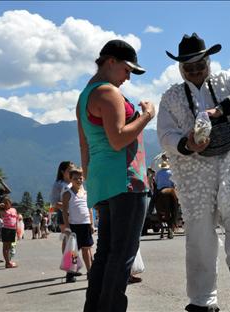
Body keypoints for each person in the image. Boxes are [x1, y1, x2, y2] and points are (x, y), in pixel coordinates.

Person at [157, 33, 230, 312]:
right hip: (194, 173)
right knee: (199, 238)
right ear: (180, 68)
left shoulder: (227, 81)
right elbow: (165, 134)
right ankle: (203, 302)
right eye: (188, 68)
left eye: (199, 66)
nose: (194, 72)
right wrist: (186, 144)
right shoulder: (171, 97)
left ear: (209, 62)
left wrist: (221, 109)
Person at [76, 39, 154, 312]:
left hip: (103, 181)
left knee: (106, 256)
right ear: (111, 61)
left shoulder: (86, 94)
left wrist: (90, 183)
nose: (128, 76)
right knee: (121, 257)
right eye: (127, 69)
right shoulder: (108, 92)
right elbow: (119, 139)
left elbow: (84, 145)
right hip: (126, 181)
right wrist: (146, 115)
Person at [61, 167, 94, 283]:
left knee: (87, 249)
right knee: (73, 251)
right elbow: (64, 211)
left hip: (85, 225)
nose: (78, 180)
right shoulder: (67, 194)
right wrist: (67, 226)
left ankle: (90, 272)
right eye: (75, 178)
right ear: (71, 179)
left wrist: (92, 224)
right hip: (74, 225)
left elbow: (89, 209)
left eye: (80, 178)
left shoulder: (85, 192)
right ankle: (70, 273)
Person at [50, 161, 74, 243]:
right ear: (63, 171)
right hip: (63, 214)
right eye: (69, 170)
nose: (72, 172)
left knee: (75, 239)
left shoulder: (75, 182)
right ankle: (67, 256)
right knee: (67, 238)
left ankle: (74, 255)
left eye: (73, 170)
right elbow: (54, 202)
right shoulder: (58, 184)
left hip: (76, 214)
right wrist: (68, 207)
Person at [0, 196, 18, 268]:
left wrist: (16, 230)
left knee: (9, 247)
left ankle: (8, 261)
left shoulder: (13, 209)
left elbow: (16, 219)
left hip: (13, 229)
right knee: (5, 247)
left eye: (7, 202)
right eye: (4, 203)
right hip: (6, 229)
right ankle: (7, 263)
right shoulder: (3, 211)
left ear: (10, 203)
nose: (6, 204)